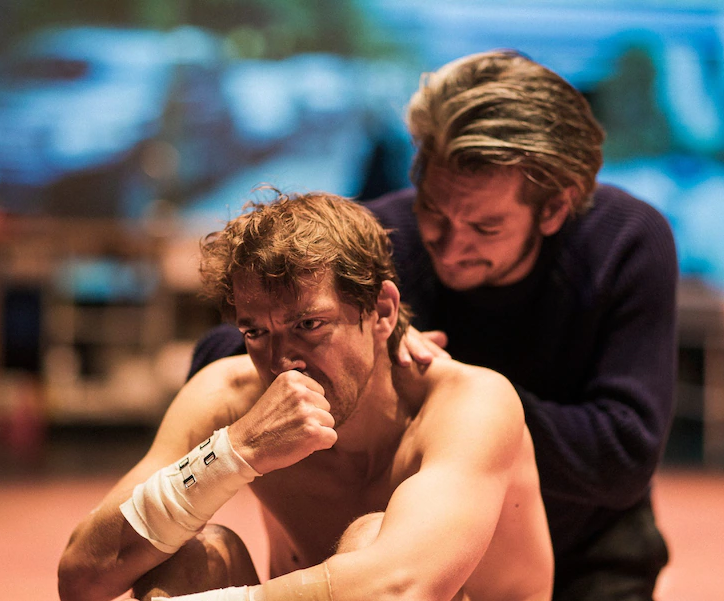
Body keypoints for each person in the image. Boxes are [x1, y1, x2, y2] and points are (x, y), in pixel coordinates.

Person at [187, 50, 679, 601]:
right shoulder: (383, 234)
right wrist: (352, 345)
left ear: (554, 209)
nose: (449, 244)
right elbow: (220, 354)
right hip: (413, 549)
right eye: (434, 211)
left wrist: (464, 397)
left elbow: (624, 453)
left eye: (485, 227)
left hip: (594, 559)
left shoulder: (626, 241)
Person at [58, 190, 554, 601]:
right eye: (256, 332)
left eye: (309, 325)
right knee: (194, 555)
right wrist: (233, 452)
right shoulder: (228, 396)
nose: (282, 362)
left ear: (382, 311)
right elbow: (81, 577)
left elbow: (398, 590)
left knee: (370, 538)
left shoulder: (470, 402)